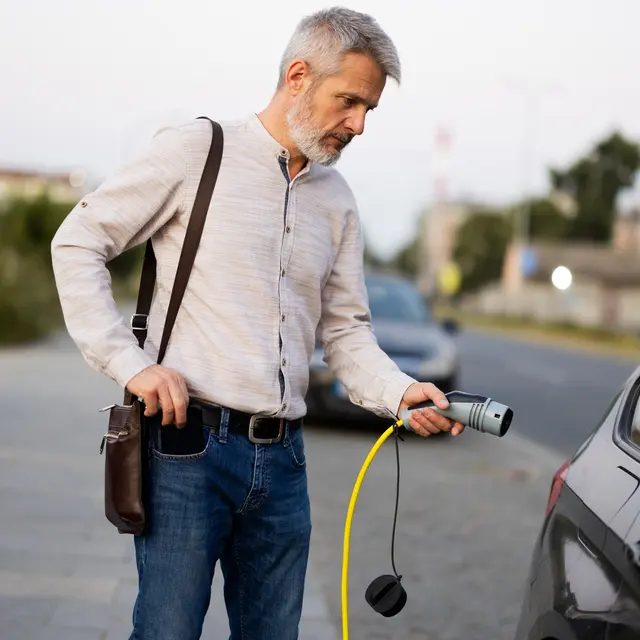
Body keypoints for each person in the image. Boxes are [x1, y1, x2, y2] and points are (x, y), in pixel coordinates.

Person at [51, 6, 466, 639]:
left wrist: (400, 391)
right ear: (298, 75)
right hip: (185, 449)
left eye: (368, 111)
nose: (357, 125)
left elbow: (347, 333)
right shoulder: (198, 150)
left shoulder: (337, 200)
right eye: (348, 101)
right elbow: (78, 242)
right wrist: (130, 367)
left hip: (285, 466)